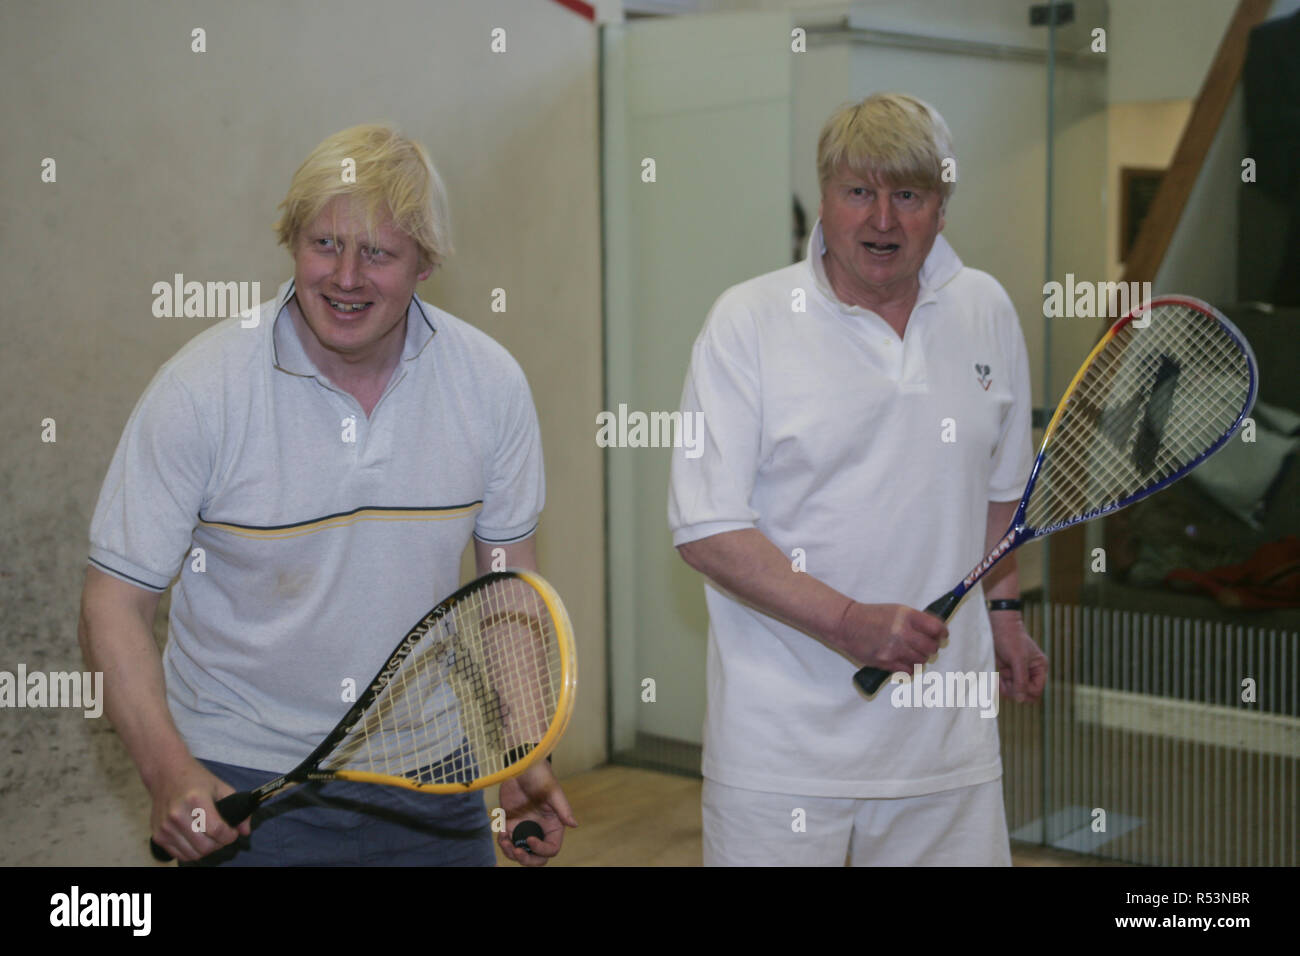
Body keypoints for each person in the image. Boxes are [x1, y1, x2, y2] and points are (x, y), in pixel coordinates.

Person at [78, 124, 575, 866]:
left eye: (377, 252)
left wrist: (520, 753)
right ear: (291, 242)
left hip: (435, 780)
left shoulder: (489, 384)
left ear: (425, 264)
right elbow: (112, 603)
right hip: (246, 783)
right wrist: (168, 770)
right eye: (324, 244)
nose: (346, 276)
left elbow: (504, 594)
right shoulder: (201, 389)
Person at [668, 94, 1048, 866]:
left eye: (907, 194)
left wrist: (1003, 615)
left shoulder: (986, 309)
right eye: (858, 192)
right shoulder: (747, 322)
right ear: (824, 198)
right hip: (779, 758)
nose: (882, 220)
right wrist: (847, 621)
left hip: (946, 754)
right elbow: (708, 529)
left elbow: (1000, 495)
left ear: (941, 207)